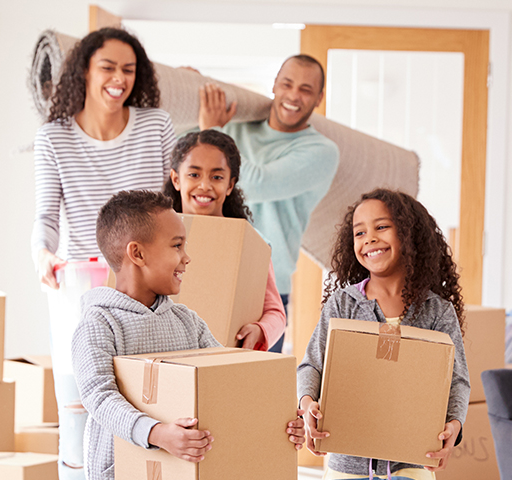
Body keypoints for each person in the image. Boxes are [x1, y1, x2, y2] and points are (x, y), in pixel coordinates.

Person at [71, 190, 306, 480]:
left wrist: (279, 419)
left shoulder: (187, 321)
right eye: (177, 246)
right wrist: (157, 433)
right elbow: (99, 397)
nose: (187, 258)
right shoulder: (98, 323)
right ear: (137, 253)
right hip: (122, 471)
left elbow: (228, 381)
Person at [30, 27, 175, 479]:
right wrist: (42, 254)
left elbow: (177, 203)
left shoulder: (156, 126)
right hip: (80, 290)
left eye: (129, 70)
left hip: (146, 291)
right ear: (85, 72)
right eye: (108, 67)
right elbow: (47, 218)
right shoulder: (53, 138)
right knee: (79, 416)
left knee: (152, 405)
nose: (119, 78)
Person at [297, 189, 470, 480]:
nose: (370, 239)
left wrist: (454, 424)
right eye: (359, 232)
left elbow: (457, 379)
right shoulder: (343, 304)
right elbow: (312, 364)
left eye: (381, 227)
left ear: (408, 233)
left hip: (414, 464)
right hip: (347, 467)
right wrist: (306, 404)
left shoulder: (436, 311)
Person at [196, 54, 340, 352]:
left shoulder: (321, 151)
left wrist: (212, 133)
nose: (293, 96)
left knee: (251, 391)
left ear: (319, 98)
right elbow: (187, 155)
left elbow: (257, 184)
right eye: (287, 84)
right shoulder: (234, 127)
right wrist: (191, 84)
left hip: (265, 290)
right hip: (209, 271)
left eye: (305, 89)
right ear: (274, 84)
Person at [162, 129, 286, 350]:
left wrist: (260, 329)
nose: (205, 186)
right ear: (176, 179)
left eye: (217, 177)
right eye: (194, 175)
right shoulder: (155, 235)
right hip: (164, 355)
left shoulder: (251, 245)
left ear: (230, 185)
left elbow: (275, 313)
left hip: (224, 360)